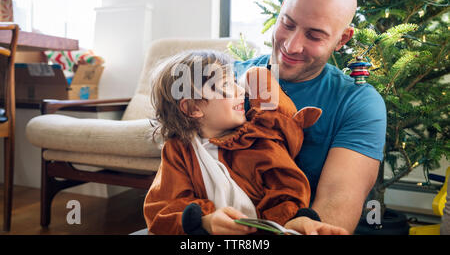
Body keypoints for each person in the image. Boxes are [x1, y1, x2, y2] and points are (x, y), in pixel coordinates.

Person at [233, 0, 387, 234]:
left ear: (342, 39)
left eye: (314, 36)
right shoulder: (224, 80)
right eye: (287, 24)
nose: (291, 46)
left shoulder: (359, 103)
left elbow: (339, 201)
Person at [143, 50, 348, 235]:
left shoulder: (256, 140)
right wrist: (204, 221)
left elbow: (286, 188)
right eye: (225, 85)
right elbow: (163, 207)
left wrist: (293, 221)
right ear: (191, 109)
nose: (241, 91)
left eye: (234, 81)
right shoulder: (179, 150)